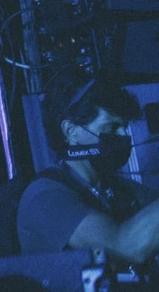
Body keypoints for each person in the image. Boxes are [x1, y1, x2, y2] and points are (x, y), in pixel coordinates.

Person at [15, 71, 159, 265]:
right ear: (71, 132)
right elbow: (123, 247)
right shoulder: (45, 197)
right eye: (111, 128)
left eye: (124, 127)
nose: (124, 136)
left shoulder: (118, 190)